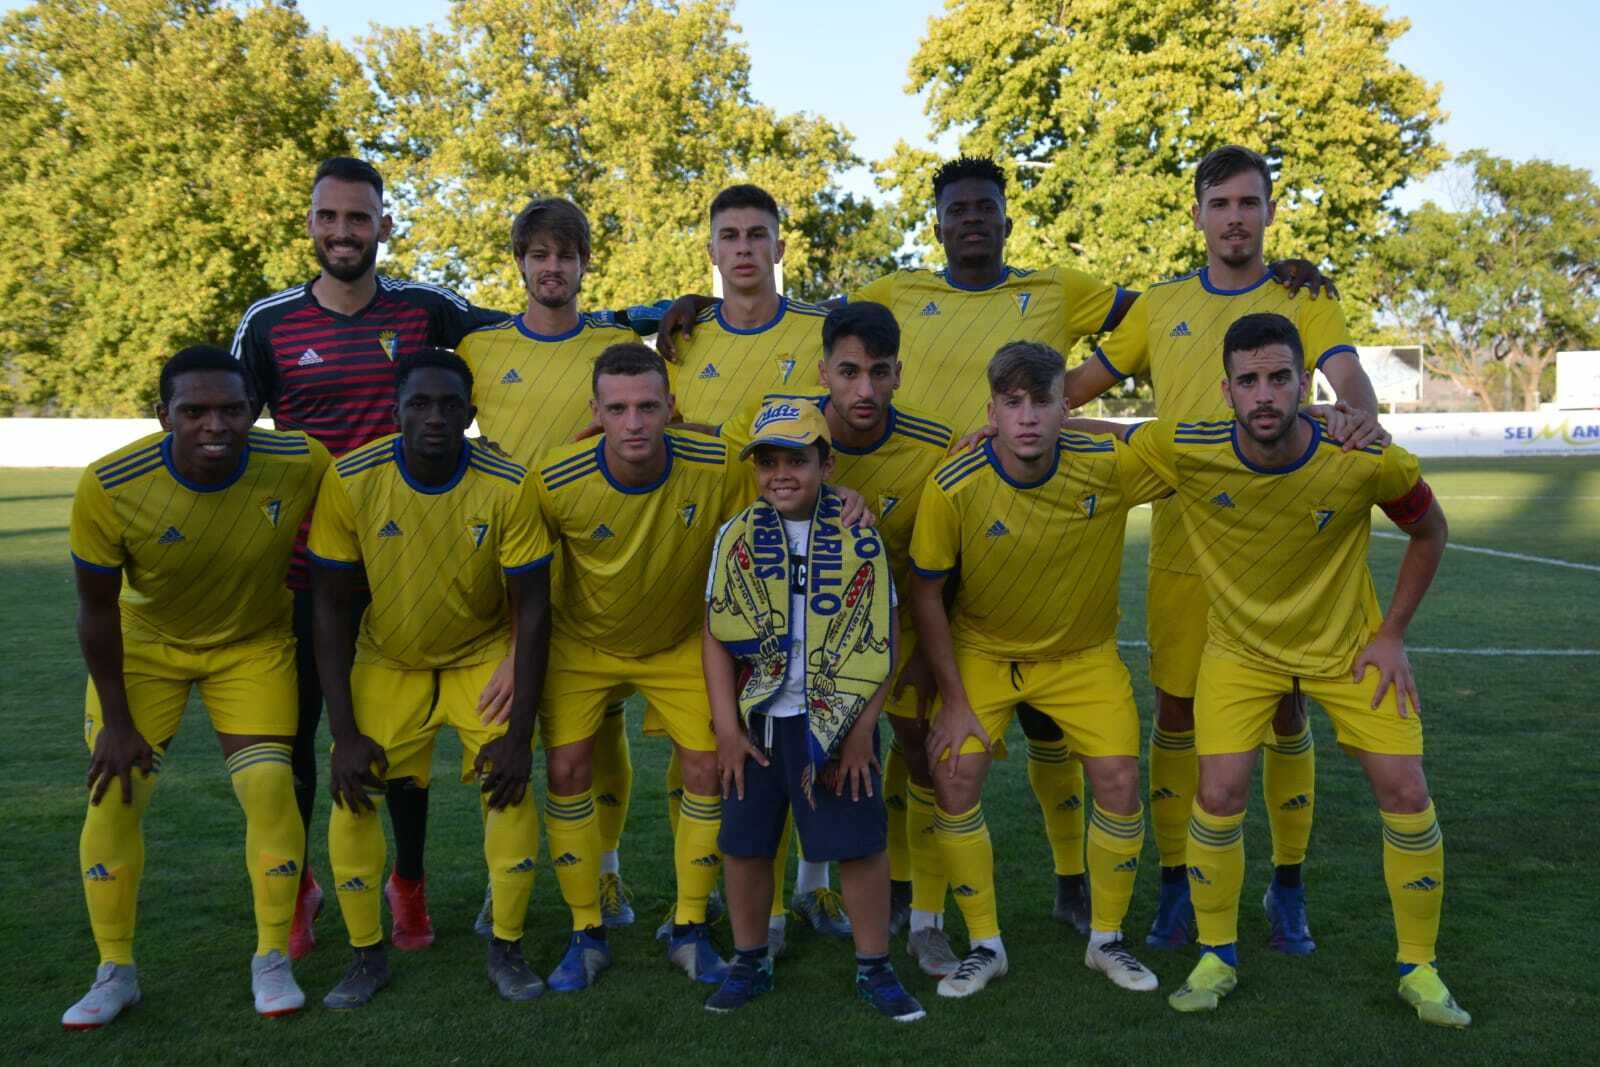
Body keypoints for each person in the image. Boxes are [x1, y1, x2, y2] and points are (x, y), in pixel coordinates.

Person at [660, 154, 1332, 931]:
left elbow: (1173, 303)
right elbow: (816, 319)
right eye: (958, 211)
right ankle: (882, 894)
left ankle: (1068, 881)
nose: (972, 221)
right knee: (875, 735)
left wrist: (1271, 279)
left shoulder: (1057, 287)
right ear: (938, 225)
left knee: (1033, 728)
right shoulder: (893, 295)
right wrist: (685, 306)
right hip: (917, 546)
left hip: (1018, 530)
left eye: (986, 209)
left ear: (1007, 220)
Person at [1105, 312, 1466, 1028]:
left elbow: (1430, 530)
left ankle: (1420, 968)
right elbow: (1112, 437)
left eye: (1279, 378)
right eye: (1248, 381)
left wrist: (1392, 634)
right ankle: (1216, 954)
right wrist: (1023, 427)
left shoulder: (1365, 456)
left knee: (1405, 789)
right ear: (1226, 390)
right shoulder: (1189, 447)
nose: (1264, 394)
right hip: (1240, 652)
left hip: (1347, 647)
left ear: (1306, 383)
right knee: (1218, 791)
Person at [1070, 146, 1383, 952]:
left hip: (1282, 554)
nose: (1235, 218)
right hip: (1186, 551)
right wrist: (1009, 410)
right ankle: (1177, 883)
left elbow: (1347, 373)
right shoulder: (1161, 303)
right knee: (1175, 712)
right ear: (1198, 215)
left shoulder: (1304, 294)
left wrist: (1359, 413)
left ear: (1270, 211)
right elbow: (1074, 388)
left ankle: (1288, 884)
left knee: (1285, 710)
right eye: (1221, 204)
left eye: (1249, 202)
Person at [231, 156, 509, 959]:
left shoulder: (424, 308)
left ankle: (407, 882)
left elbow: (535, 321)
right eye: (330, 217)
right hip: (305, 570)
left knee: (399, 742)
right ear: (311, 223)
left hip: (408, 571)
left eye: (359, 218)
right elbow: (226, 421)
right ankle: (299, 887)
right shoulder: (269, 322)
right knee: (298, 738)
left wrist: (657, 314)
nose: (344, 232)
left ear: (384, 225)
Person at [64, 346, 331, 1027]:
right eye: (195, 411)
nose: (215, 425)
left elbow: (366, 492)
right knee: (115, 793)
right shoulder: (110, 483)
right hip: (146, 649)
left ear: (254, 411)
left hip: (252, 646)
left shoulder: (299, 460)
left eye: (232, 409)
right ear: (164, 415)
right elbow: (96, 610)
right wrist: (117, 721)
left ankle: (272, 957)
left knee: (270, 786)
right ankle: (115, 970)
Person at [908, 341, 1169, 998]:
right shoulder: (953, 483)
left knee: (1119, 779)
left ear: (1065, 407)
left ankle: (1106, 938)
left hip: (1082, 656)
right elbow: (926, 594)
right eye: (1012, 403)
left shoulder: (1107, 465)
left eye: (1043, 402)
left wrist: (1320, 415)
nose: (1027, 417)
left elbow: (1179, 442)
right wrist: (955, 699)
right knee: (953, 774)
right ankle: (985, 945)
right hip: (986, 653)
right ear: (991, 411)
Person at [307, 349, 553, 1008]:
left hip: (480, 654)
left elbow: (534, 610)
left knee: (508, 785)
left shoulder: (509, 483)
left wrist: (519, 735)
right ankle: (365, 955)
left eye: (449, 405)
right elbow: (328, 608)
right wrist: (344, 732)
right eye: (420, 403)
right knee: (353, 788)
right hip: (389, 656)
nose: (435, 417)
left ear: (471, 414)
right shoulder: (351, 478)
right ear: (396, 412)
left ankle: (507, 947)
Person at [720, 303, 959, 973]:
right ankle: (774, 917)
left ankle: (925, 918)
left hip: (888, 637)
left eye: (879, 373)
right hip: (787, 646)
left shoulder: (933, 442)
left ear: (898, 374)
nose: (864, 389)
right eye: (848, 372)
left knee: (918, 761)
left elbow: (955, 532)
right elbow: (708, 445)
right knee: (773, 780)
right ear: (822, 372)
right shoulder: (782, 424)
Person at [654, 184, 850, 945]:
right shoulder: (681, 336)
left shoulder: (819, 328)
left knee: (803, 727)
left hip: (801, 560)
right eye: (729, 236)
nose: (743, 248)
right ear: (710, 250)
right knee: (706, 745)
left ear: (779, 246)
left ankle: (811, 888)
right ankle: (706, 894)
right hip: (704, 556)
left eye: (756, 234)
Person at [530, 343, 761, 989]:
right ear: (595, 412)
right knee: (567, 768)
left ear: (671, 408)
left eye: (647, 407)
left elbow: (780, 495)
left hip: (680, 639)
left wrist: (844, 495)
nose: (633, 422)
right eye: (618, 409)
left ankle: (690, 927)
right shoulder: (553, 477)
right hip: (582, 642)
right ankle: (586, 931)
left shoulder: (716, 464)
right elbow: (522, 575)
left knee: (710, 767)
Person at [701, 398, 925, 1023]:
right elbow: (715, 634)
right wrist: (726, 728)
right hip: (759, 722)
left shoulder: (859, 533)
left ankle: (875, 967)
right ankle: (750, 960)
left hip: (837, 719)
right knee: (746, 844)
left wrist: (861, 732)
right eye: (767, 461)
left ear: (826, 465)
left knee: (858, 846)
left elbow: (883, 636)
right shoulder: (735, 534)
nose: (781, 474)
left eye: (796, 460)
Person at [459, 196, 642, 932]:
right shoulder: (479, 349)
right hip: (505, 572)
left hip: (594, 565)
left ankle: (607, 873)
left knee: (597, 731)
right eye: (539, 255)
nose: (552, 267)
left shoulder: (616, 342)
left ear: (585, 263)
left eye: (566, 255)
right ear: (520, 263)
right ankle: (503, 879)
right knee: (504, 727)